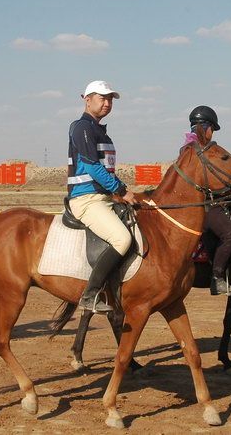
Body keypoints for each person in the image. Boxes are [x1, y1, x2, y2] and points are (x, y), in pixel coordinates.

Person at [67, 81, 136, 313]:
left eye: (110, 100)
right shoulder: (81, 127)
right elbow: (92, 167)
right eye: (102, 98)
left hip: (102, 198)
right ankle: (91, 294)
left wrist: (115, 194)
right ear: (87, 100)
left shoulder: (98, 130)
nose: (107, 103)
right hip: (86, 199)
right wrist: (121, 190)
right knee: (122, 239)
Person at [188, 105, 231, 296]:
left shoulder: (196, 147)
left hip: (209, 202)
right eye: (212, 129)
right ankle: (217, 278)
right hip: (203, 206)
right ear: (205, 127)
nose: (212, 133)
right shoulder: (196, 150)